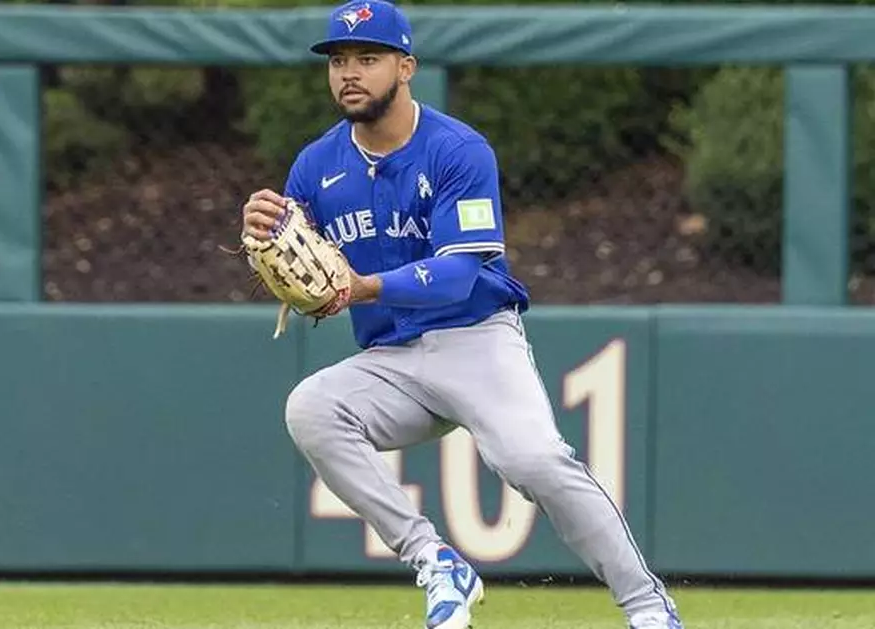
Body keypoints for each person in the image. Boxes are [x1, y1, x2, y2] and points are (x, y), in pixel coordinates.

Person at [239, 2, 686, 629]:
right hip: (391, 358)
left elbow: (458, 273)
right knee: (312, 407)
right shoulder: (315, 166)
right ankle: (436, 559)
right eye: (338, 61)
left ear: (406, 67)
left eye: (368, 58)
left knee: (534, 462)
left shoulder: (457, 150)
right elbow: (301, 269)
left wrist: (363, 287)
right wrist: (263, 234)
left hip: (476, 339)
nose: (350, 73)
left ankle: (648, 607)